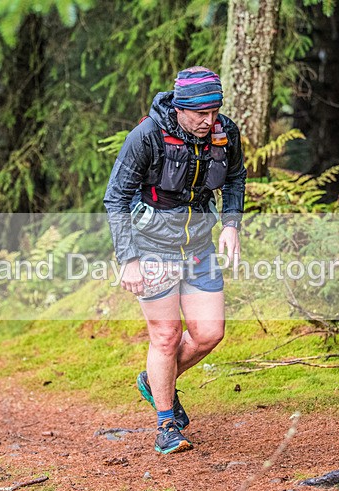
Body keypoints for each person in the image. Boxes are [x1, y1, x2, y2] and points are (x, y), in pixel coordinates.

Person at [103, 67, 247, 454]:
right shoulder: (147, 136)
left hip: (199, 244)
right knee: (165, 336)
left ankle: (155, 383)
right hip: (152, 246)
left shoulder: (224, 132)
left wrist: (231, 224)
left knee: (209, 333)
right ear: (181, 108)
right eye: (200, 114)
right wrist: (128, 259)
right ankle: (166, 425)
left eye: (215, 111)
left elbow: (234, 177)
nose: (209, 120)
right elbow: (116, 198)